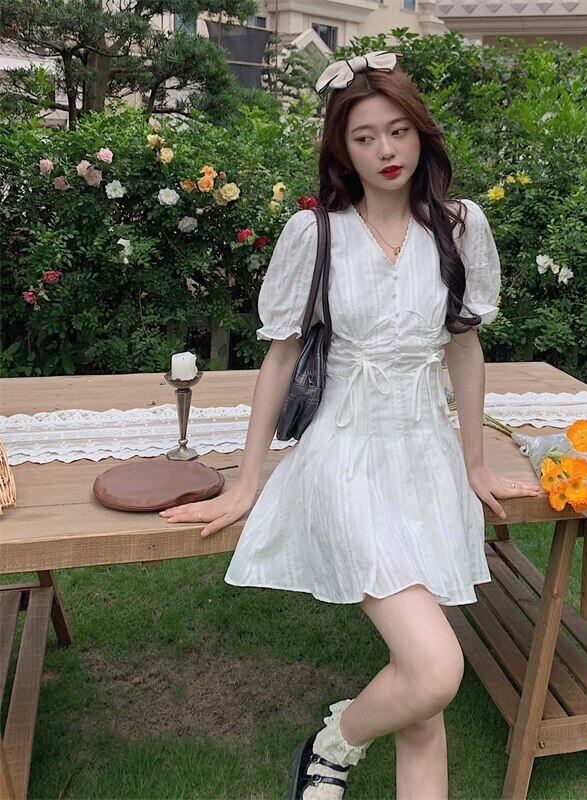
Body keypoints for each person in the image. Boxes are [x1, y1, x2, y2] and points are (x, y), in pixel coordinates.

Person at [159, 50, 541, 800]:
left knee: (422, 701)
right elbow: (280, 359)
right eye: (365, 137)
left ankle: (332, 751)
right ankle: (333, 743)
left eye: (398, 131)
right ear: (342, 149)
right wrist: (247, 483)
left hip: (427, 464)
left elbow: (464, 349)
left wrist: (473, 464)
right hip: (346, 461)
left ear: (421, 133)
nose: (386, 150)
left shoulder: (460, 227)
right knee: (435, 670)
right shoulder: (318, 233)